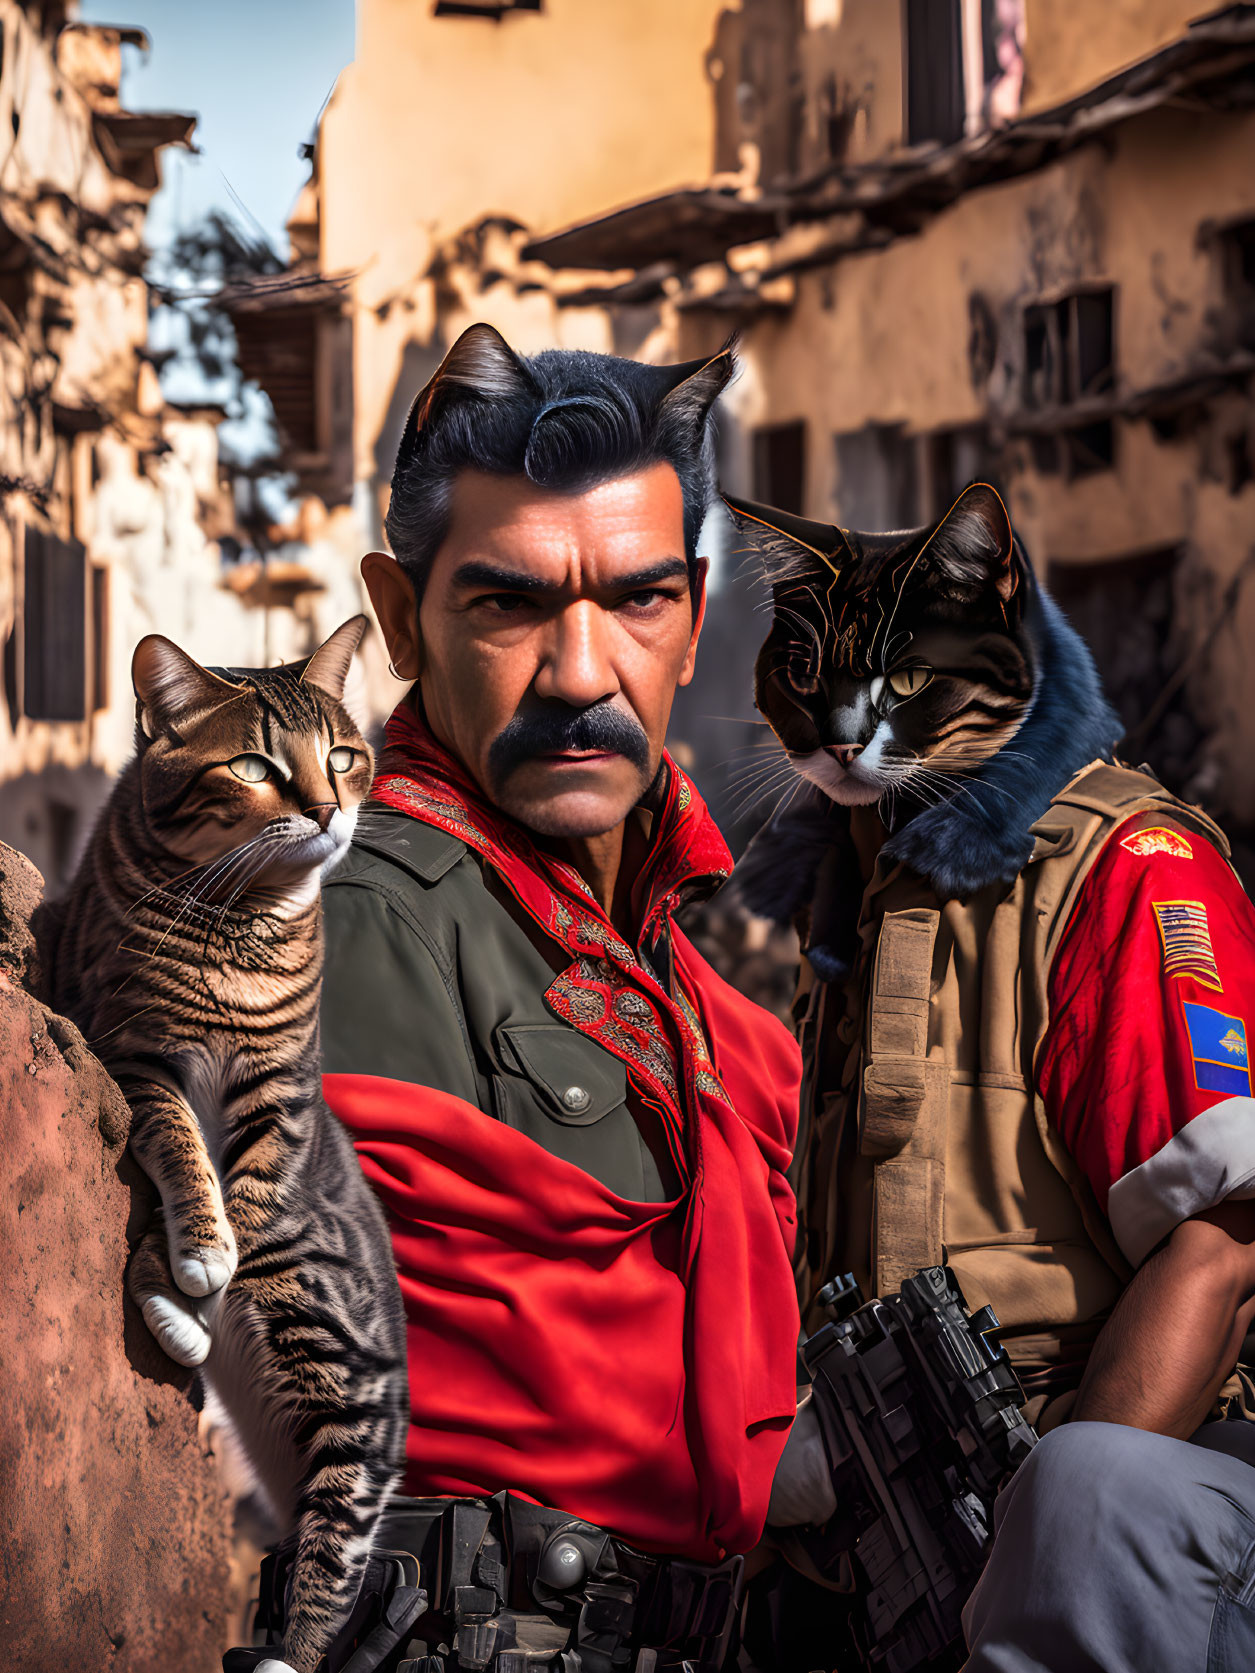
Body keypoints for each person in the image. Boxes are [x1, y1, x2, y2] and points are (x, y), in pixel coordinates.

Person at [284, 326, 832, 1673]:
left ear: (696, 622)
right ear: (403, 619)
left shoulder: (708, 1014)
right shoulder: (359, 919)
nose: (582, 675)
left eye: (636, 602)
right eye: (508, 604)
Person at [725, 487, 1255, 1672]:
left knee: (1092, 1484)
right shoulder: (854, 898)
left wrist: (1042, 1549)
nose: (846, 732)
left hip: (1129, 1544)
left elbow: (1221, 1246)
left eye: (897, 691)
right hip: (883, 1543)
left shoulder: (1120, 867)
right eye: (812, 690)